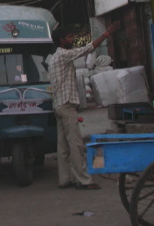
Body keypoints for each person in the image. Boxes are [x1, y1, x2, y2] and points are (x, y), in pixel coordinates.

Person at [48, 21, 120, 190]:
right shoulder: (63, 55)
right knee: (76, 144)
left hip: (58, 105)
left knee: (63, 146)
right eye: (69, 37)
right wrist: (106, 33)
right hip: (66, 106)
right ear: (61, 40)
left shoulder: (55, 58)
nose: (72, 39)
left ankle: (65, 179)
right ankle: (84, 180)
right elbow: (87, 49)